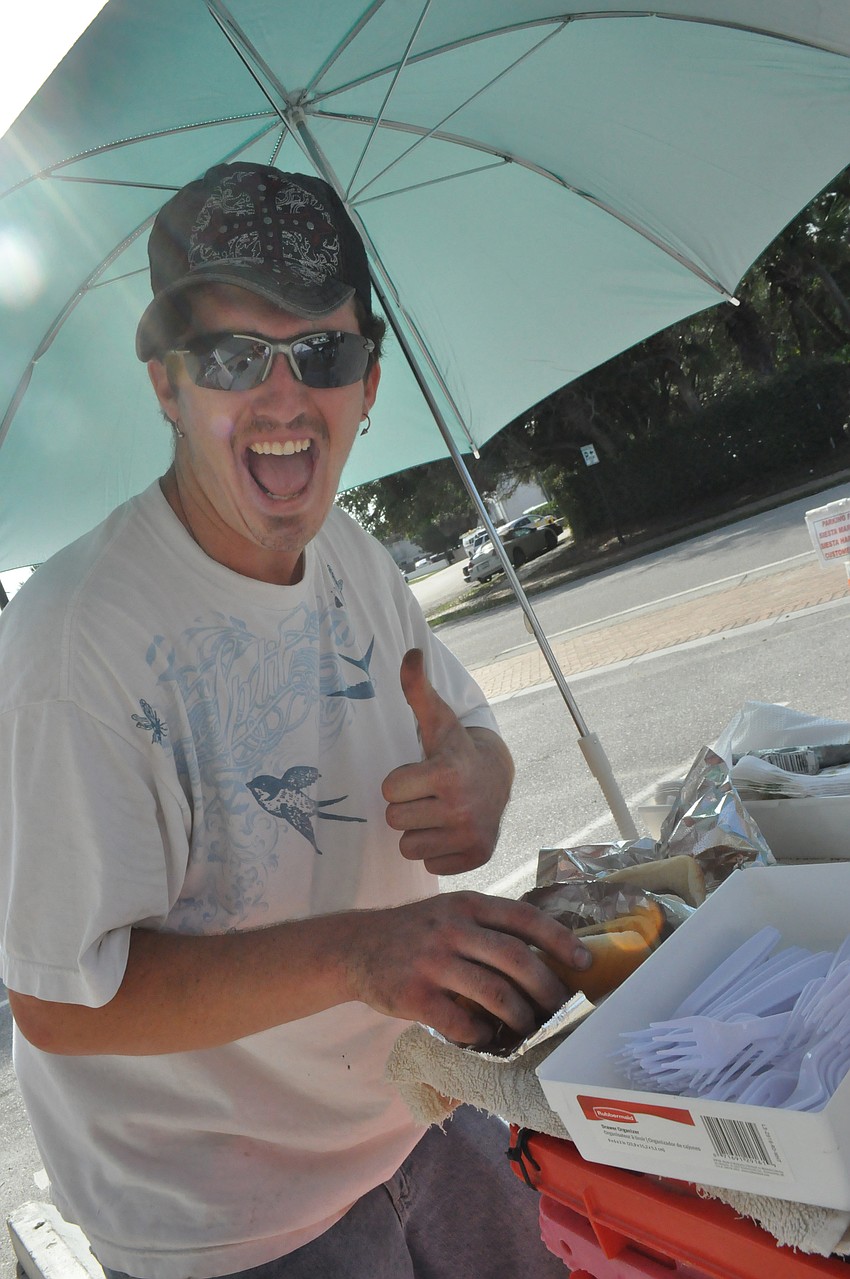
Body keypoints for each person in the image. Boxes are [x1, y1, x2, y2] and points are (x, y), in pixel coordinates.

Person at [0, 163, 589, 1278]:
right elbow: (57, 1002)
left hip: (415, 1108)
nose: (283, 399)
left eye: (321, 353)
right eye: (232, 357)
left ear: (368, 380)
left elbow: (473, 737)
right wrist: (365, 953)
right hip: (227, 1220)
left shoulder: (353, 558)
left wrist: (476, 781)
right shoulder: (74, 641)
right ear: (167, 384)